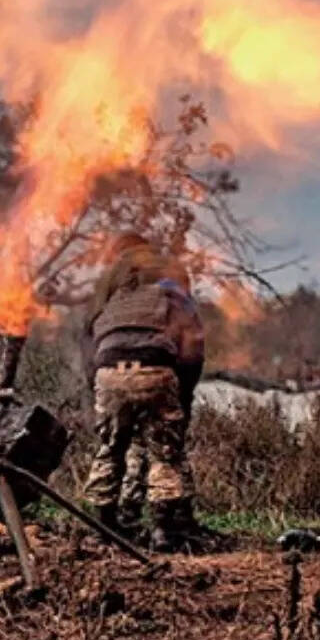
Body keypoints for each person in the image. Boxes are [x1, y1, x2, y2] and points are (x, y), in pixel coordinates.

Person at [82, 234, 214, 552]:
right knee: (165, 453)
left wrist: (97, 384)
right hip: (156, 366)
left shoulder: (109, 283)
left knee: (110, 449)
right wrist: (183, 391)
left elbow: (88, 339)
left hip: (108, 368)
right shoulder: (170, 274)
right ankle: (164, 533)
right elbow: (192, 338)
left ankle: (104, 529)